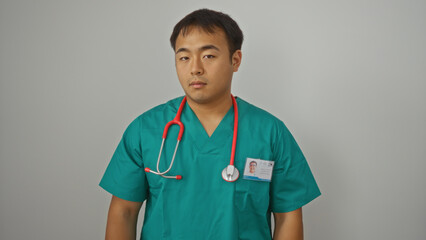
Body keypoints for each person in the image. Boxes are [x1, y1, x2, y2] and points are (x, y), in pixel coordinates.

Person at [99, 8, 321, 240]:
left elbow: (288, 216)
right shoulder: (145, 130)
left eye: (208, 56)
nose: (195, 68)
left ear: (235, 60)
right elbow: (123, 212)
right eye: (184, 57)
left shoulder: (270, 132)